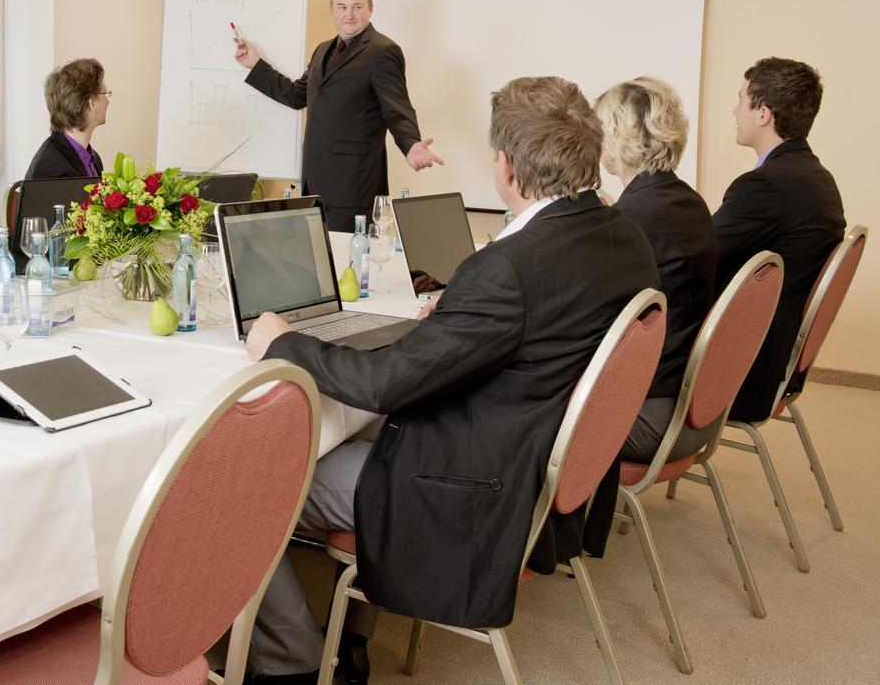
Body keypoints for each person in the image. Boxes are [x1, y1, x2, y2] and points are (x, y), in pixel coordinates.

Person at [240, 76, 659, 683]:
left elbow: (384, 383)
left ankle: (291, 665)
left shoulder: (509, 268)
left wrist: (282, 341)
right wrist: (461, 318)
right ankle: (350, 640)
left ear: (508, 170)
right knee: (339, 438)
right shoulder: (623, 235)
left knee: (254, 480)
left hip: (472, 491)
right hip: (536, 467)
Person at [233, 0, 444, 233]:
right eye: (342, 7)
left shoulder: (383, 51)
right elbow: (296, 95)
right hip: (314, 185)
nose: (349, 14)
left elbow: (397, 108)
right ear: (332, 10)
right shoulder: (322, 50)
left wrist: (412, 144)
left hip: (353, 188)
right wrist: (255, 64)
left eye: (357, 7)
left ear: (370, 9)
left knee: (348, 268)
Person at [714, 57, 844, 423]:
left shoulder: (766, 185)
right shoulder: (817, 177)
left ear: (763, 114)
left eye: (741, 99)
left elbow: (700, 254)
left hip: (746, 371)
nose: (734, 110)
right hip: (779, 362)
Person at [597, 77, 718, 461]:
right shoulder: (686, 201)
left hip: (650, 415)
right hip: (692, 401)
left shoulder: (633, 218)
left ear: (618, 136)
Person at [25, 58, 107, 180]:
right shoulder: (51, 167)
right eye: (105, 94)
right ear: (92, 103)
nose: (107, 101)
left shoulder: (93, 159)